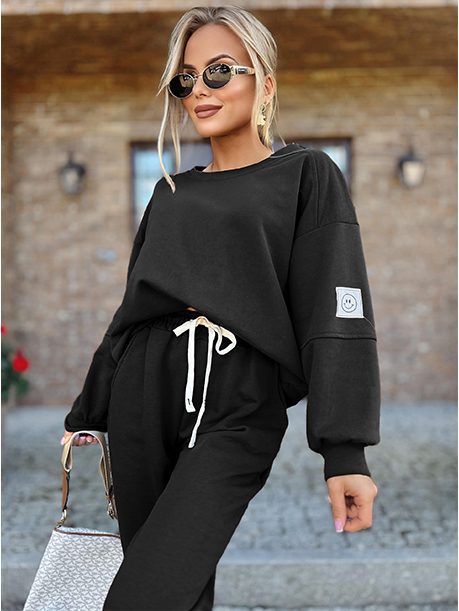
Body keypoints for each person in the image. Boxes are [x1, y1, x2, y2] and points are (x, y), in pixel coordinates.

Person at [61, 5, 380, 610]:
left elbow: (336, 312)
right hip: (142, 397)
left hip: (238, 403)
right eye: (186, 79)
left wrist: (345, 451)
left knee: (145, 596)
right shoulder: (169, 192)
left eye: (219, 70)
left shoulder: (306, 174)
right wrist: (91, 409)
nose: (199, 90)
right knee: (179, 592)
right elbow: (133, 308)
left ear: (266, 83)